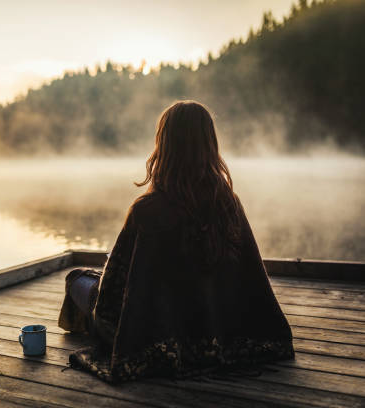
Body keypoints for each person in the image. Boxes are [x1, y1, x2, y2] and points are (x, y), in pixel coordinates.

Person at [58, 100, 295, 383]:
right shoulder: (229, 204)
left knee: (76, 280)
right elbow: (252, 281)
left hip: (155, 331)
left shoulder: (147, 210)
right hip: (216, 328)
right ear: (210, 145)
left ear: (164, 146)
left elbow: (111, 295)